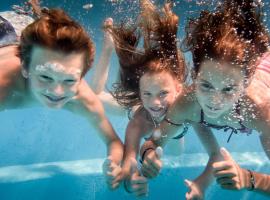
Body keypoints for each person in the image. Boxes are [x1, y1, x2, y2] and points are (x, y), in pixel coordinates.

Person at [140, 0, 270, 199]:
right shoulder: (187, 103)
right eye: (206, 86)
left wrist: (248, 178)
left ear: (244, 85)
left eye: (228, 89)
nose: (214, 101)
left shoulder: (260, 110)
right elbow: (152, 142)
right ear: (195, 75)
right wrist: (147, 155)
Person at [0, 8, 123, 190]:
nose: (57, 91)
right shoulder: (4, 87)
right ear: (24, 68)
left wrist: (114, 163)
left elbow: (113, 141)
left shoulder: (82, 98)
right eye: (45, 77)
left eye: (69, 80)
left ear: (81, 77)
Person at [105, 0, 187, 196]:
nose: (156, 102)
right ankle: (107, 49)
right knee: (96, 96)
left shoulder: (187, 100)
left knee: (176, 152)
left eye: (163, 93)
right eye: (147, 94)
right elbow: (129, 161)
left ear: (178, 89)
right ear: (141, 94)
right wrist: (130, 178)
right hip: (132, 109)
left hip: (169, 132)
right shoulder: (137, 123)